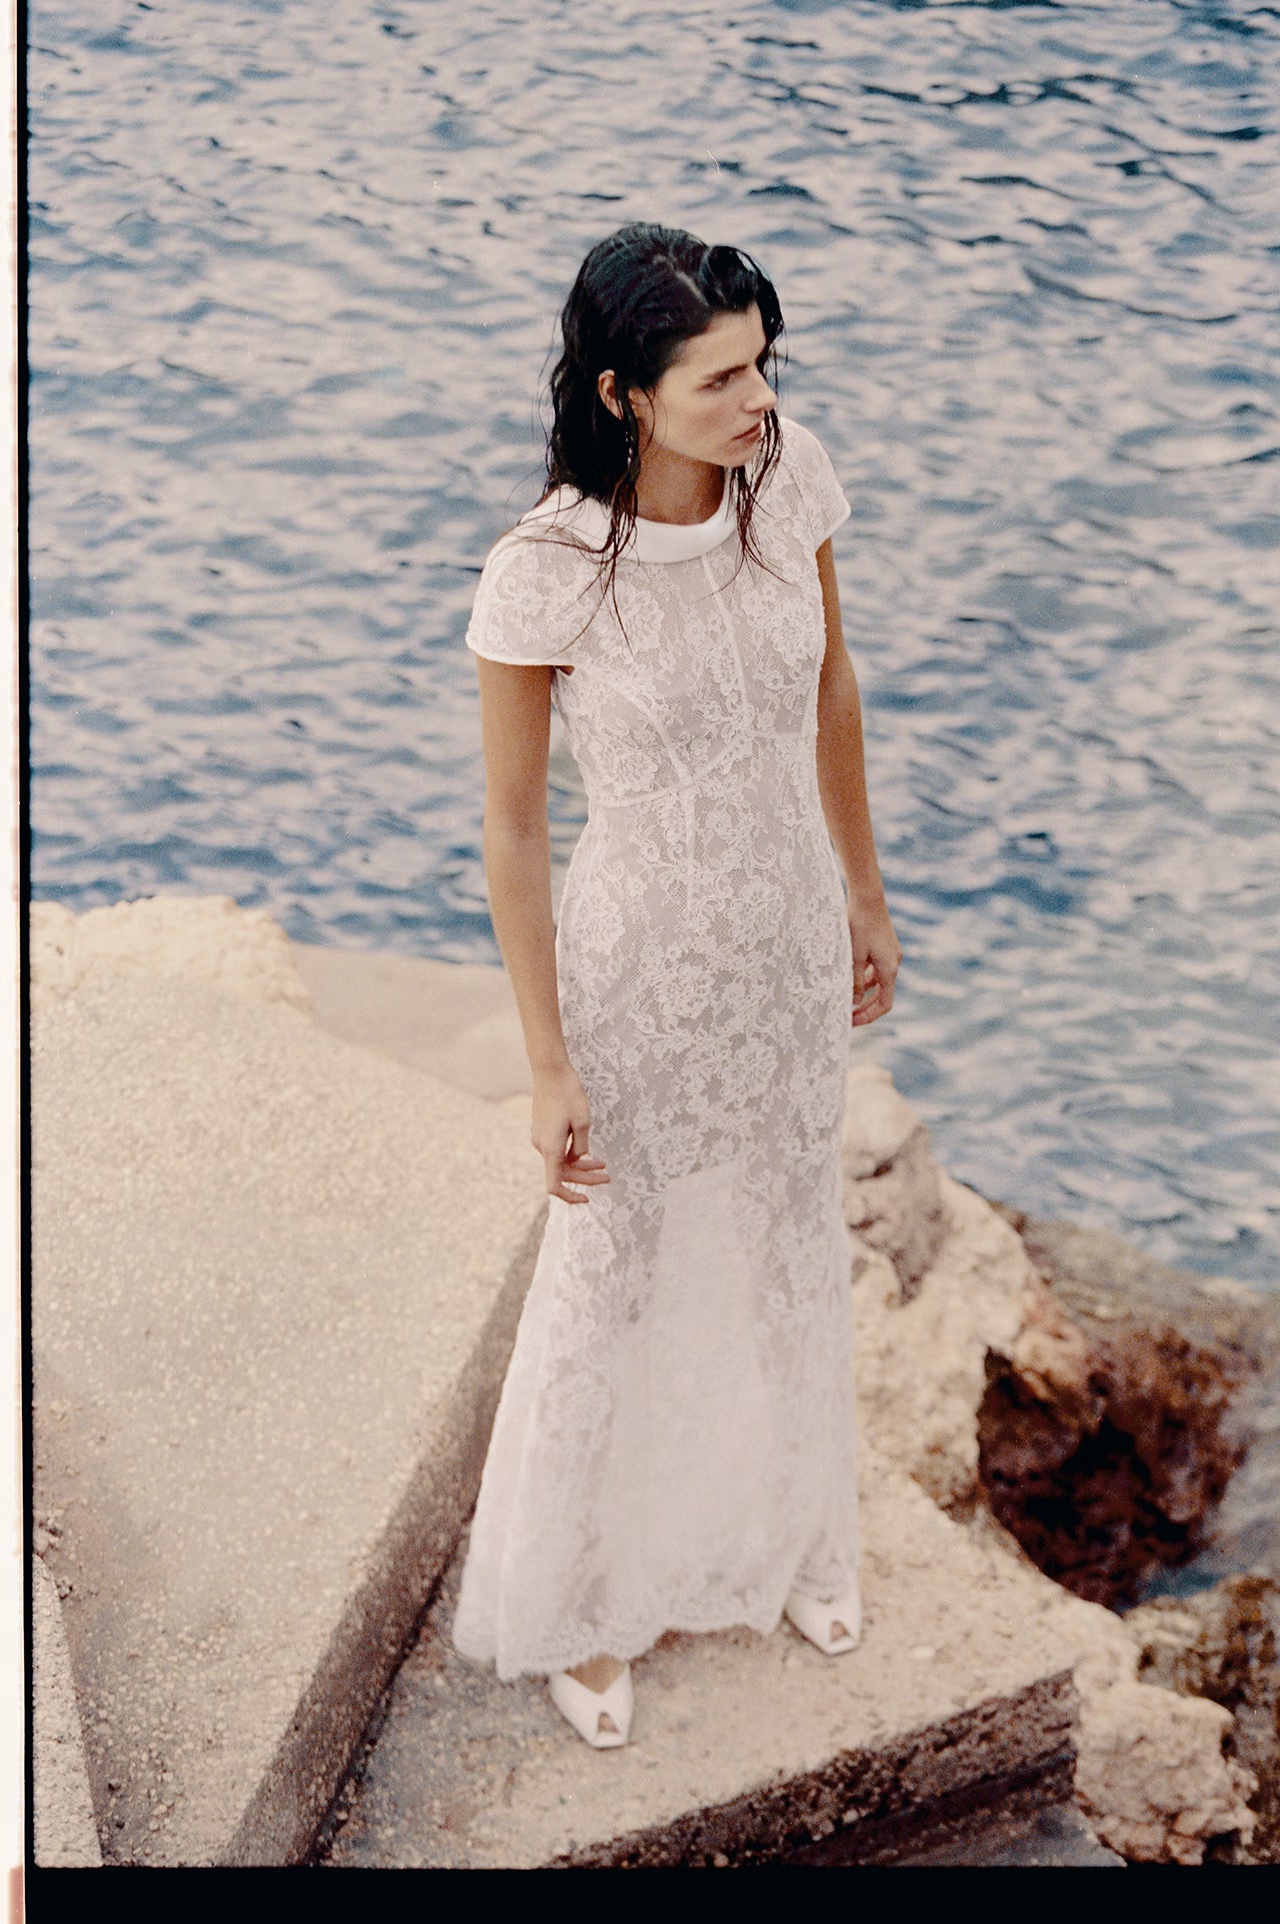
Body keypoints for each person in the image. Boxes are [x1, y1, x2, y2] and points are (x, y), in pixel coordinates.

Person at [451, 222, 902, 1749]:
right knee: (615, 1271)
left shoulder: (790, 486)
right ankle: (581, 1602)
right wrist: (547, 1062)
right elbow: (514, 830)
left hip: (780, 939)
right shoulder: (543, 575)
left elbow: (832, 685)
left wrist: (862, 889)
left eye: (762, 362)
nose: (757, 398)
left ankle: (785, 1540)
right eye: (719, 378)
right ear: (623, 394)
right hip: (634, 960)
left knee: (784, 1237)